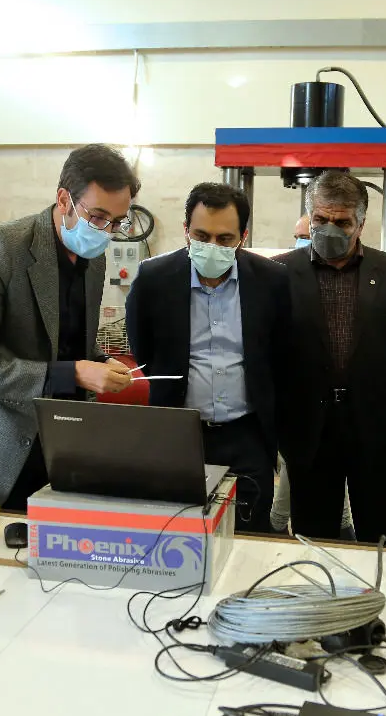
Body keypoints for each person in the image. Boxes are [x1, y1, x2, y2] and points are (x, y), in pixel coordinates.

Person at [0, 145, 138, 510]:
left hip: (54, 444)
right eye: (98, 217)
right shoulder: (0, 248)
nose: (106, 232)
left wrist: (100, 361)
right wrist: (73, 374)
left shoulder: (94, 258)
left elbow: (67, 342)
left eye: (117, 222)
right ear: (64, 199)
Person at [276, 171, 386, 543]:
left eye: (342, 222)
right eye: (321, 219)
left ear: (361, 223)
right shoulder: (280, 272)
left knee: (381, 532)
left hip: (373, 428)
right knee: (314, 536)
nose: (329, 229)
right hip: (308, 429)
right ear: (309, 217)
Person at [126, 183, 290, 533]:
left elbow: (280, 352)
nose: (212, 246)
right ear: (186, 230)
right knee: (175, 532)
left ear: (243, 237)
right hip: (178, 435)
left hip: (247, 434)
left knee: (249, 531)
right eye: (201, 236)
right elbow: (144, 349)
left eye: (224, 238)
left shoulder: (272, 280)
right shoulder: (154, 279)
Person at [270, 214, 356, 540]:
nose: (304, 242)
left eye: (308, 235)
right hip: (294, 402)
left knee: (318, 472)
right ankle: (279, 521)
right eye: (300, 236)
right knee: (295, 466)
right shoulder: (282, 276)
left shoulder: (341, 284)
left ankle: (281, 521)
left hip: (334, 404)